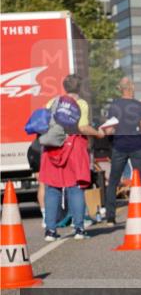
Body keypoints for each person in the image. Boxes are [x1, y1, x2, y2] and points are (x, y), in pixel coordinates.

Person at [40, 74, 106, 241]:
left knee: (52, 188)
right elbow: (82, 127)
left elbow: (44, 123)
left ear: (65, 87)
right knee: (75, 187)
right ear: (79, 88)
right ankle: (78, 229)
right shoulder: (81, 103)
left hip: (52, 147)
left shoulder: (53, 102)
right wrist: (98, 133)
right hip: (73, 146)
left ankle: (50, 231)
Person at [103, 76, 141, 226]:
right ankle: (140, 212)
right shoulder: (140, 106)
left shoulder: (114, 106)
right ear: (132, 88)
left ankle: (110, 217)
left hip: (119, 146)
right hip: (138, 146)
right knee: (139, 180)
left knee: (113, 181)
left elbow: (109, 130)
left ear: (120, 89)